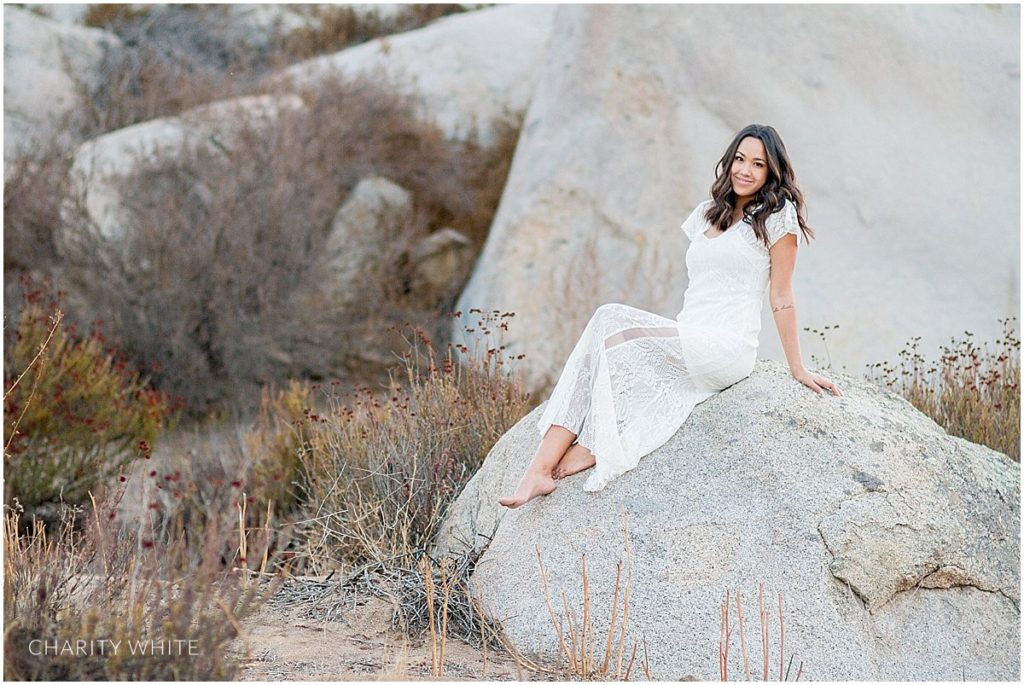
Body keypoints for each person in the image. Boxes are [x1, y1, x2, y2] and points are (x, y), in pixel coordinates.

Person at [497, 124, 843, 509]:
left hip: (726, 348)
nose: (745, 170)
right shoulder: (705, 215)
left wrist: (798, 368)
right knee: (602, 350)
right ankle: (545, 469)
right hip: (688, 336)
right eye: (740, 159)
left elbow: (781, 296)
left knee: (610, 318)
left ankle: (550, 465)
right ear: (729, 161)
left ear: (771, 172)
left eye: (758, 164)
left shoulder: (778, 217)